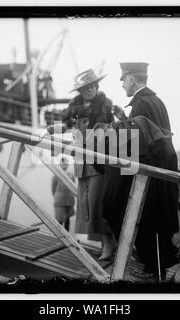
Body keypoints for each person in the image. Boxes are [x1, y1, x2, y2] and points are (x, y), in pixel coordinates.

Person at [103, 62, 180, 280]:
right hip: (162, 168)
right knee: (157, 219)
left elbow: (137, 144)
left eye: (123, 81)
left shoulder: (140, 104)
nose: (122, 86)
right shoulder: (155, 101)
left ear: (131, 80)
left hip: (149, 173)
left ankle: (154, 269)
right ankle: (156, 267)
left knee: (136, 214)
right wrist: (125, 119)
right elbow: (150, 133)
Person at [47, 69, 116, 260]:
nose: (90, 89)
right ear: (81, 90)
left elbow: (105, 130)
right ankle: (106, 244)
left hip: (98, 161)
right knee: (86, 204)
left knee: (97, 203)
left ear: (97, 86)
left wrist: (97, 137)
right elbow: (69, 127)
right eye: (86, 87)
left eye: (93, 86)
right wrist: (54, 129)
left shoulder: (104, 108)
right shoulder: (75, 109)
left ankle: (109, 243)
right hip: (81, 162)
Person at [51, 157, 76, 231]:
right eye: (63, 164)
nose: (65, 165)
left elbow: (73, 187)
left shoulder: (71, 175)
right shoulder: (56, 175)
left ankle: (67, 236)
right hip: (60, 201)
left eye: (66, 164)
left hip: (69, 200)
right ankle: (60, 236)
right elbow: (53, 188)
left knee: (67, 219)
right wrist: (57, 197)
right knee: (60, 220)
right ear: (60, 164)